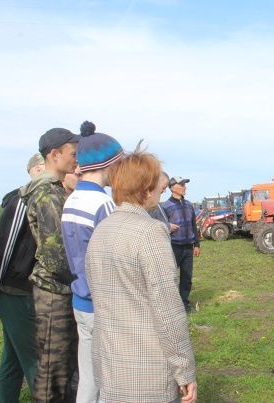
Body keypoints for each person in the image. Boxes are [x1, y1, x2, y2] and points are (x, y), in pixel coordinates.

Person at [85, 148, 197, 403]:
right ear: (146, 189)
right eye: (158, 182)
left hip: (109, 365)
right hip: (146, 370)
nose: (162, 188)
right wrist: (185, 370)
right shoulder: (151, 232)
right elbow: (167, 308)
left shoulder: (100, 230)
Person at [61, 121, 124, 403]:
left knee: (88, 377)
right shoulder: (103, 205)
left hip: (80, 299)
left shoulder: (72, 200)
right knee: (109, 377)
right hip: (102, 303)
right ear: (106, 165)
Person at [20, 127, 81, 402]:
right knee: (53, 368)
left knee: (63, 366)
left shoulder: (55, 190)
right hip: (54, 292)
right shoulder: (47, 194)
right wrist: (82, 279)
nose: (76, 160)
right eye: (72, 154)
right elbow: (57, 255)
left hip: (59, 289)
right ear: (54, 155)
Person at [0, 152, 45, 403]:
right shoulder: (22, 199)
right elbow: (1, 249)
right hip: (16, 291)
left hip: (23, 290)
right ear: (38, 169)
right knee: (36, 360)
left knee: (13, 358)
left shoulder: (44, 198)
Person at [161, 176, 201, 312]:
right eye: (182, 185)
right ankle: (170, 306)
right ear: (172, 187)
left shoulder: (189, 205)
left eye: (185, 185)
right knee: (170, 277)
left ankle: (184, 304)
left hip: (188, 247)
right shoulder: (165, 206)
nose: (185, 187)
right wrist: (166, 226)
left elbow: (194, 226)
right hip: (173, 247)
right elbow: (159, 226)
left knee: (186, 278)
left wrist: (196, 244)